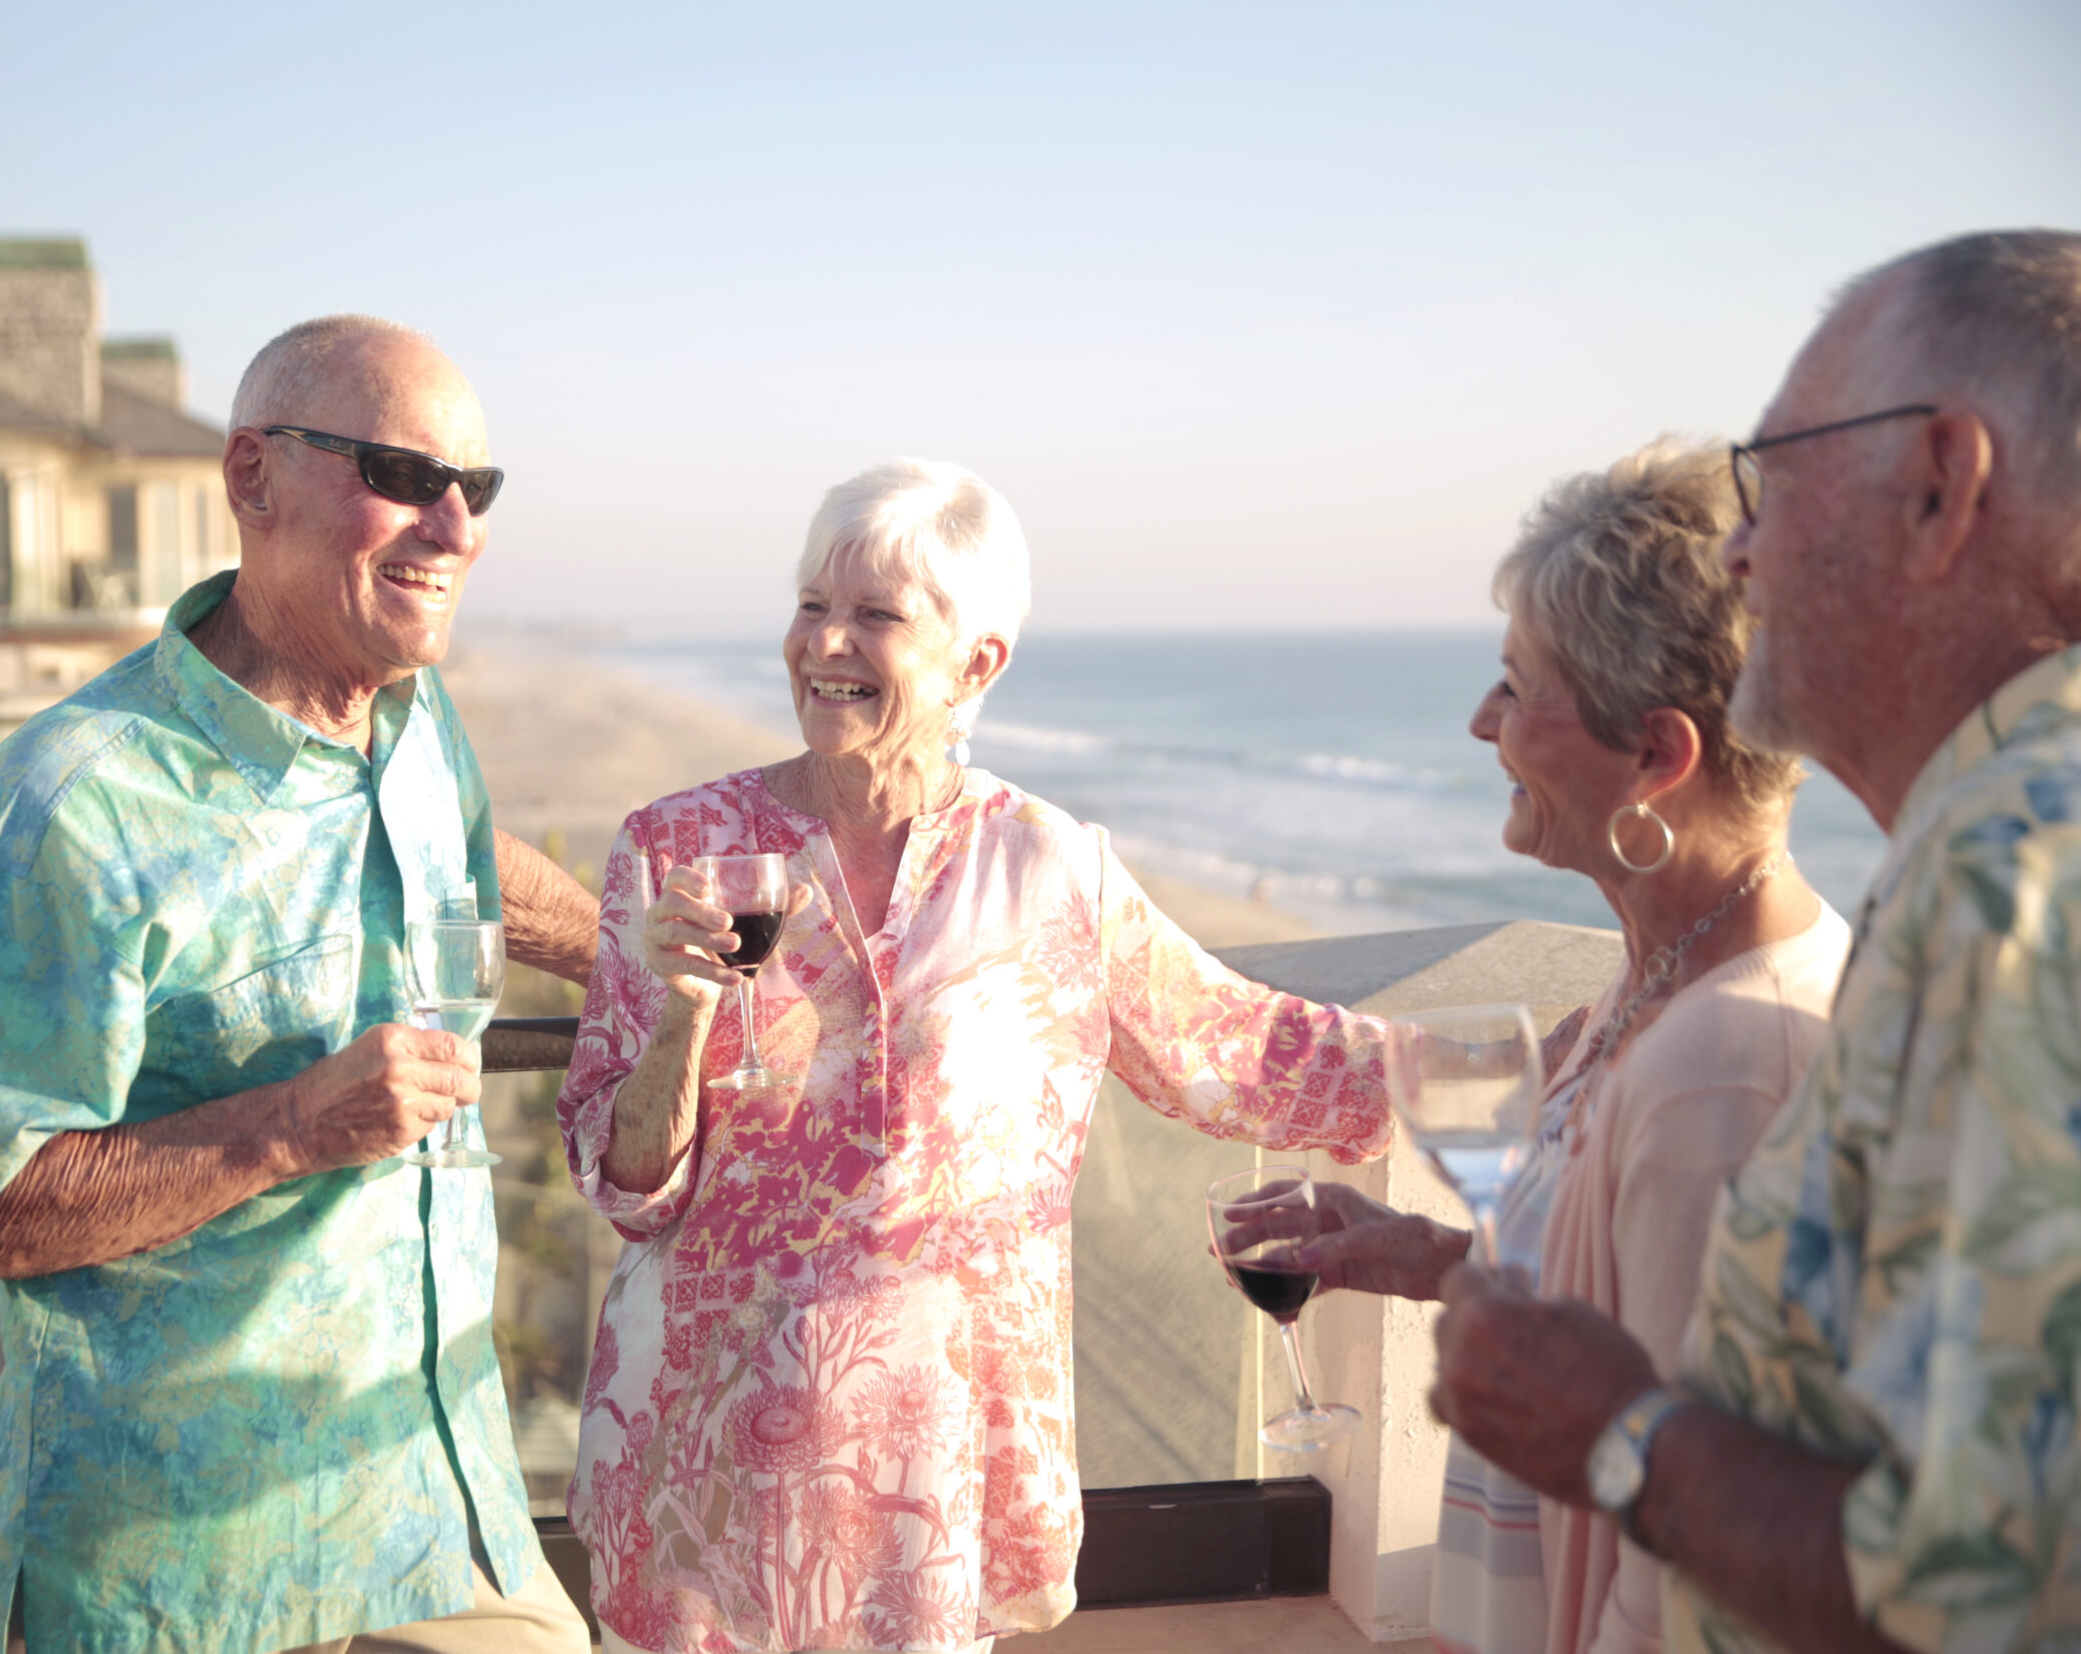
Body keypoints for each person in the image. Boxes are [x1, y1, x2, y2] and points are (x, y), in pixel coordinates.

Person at [557, 460, 1392, 1654]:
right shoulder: (675, 847)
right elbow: (623, 1186)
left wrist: (1508, 1073)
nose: (823, 641)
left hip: (934, 1487)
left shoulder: (1051, 870)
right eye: (809, 604)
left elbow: (1243, 1046)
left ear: (977, 663)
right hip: (698, 1473)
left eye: (875, 615)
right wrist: (682, 1014)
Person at [0, 316, 598, 1654]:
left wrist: (626, 959)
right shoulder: (66, 805)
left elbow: (456, 846)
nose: (456, 527)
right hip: (181, 1571)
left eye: (478, 488)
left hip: (436, 1503)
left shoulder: (406, 714)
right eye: (399, 471)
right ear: (253, 477)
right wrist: (289, 1125)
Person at [1426, 228, 2081, 1654]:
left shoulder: (2013, 875)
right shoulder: (1990, 847)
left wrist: (1615, 1435)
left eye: (1769, 478)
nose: (1741, 549)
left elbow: (1985, 1590)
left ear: (1941, 485)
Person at [1275, 441, 1848, 1654]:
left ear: (1656, 756)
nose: (1480, 721)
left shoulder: (1721, 1072)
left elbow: (1687, 1547)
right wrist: (1435, 1258)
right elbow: (1615, 1328)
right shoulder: (1652, 974)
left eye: (1515, 687)